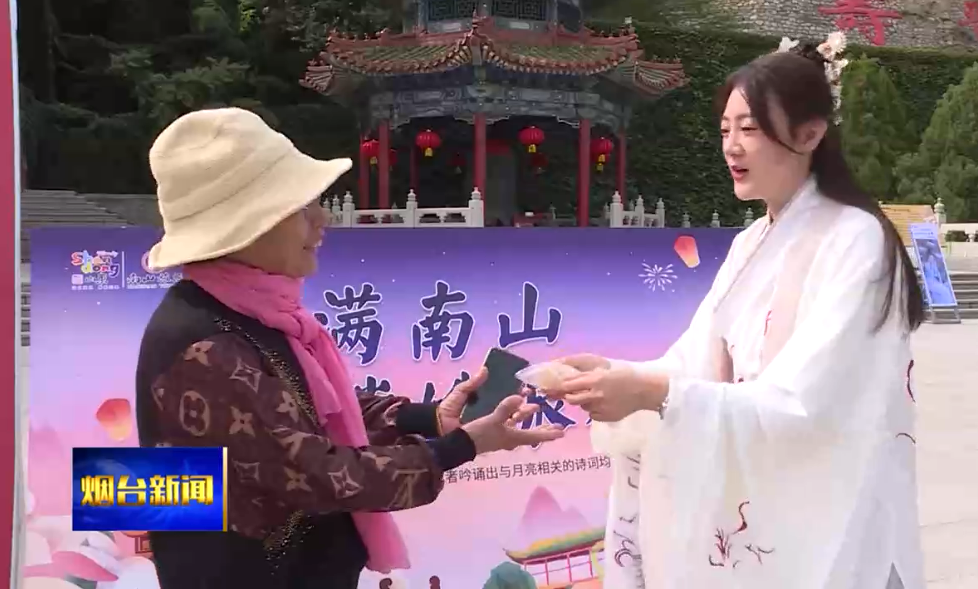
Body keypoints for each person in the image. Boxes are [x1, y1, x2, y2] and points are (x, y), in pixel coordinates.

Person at [544, 39, 926, 589]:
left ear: (810, 135)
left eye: (749, 128)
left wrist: (651, 393)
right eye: (725, 130)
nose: (731, 147)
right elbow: (693, 360)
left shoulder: (855, 238)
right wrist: (613, 374)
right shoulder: (750, 243)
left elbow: (807, 404)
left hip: (830, 515)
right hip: (760, 506)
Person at [134, 107, 564, 589]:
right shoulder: (203, 344)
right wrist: (461, 446)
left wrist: (429, 418)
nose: (323, 221)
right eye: (302, 209)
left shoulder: (247, 312)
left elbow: (304, 411)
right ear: (246, 226)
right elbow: (322, 474)